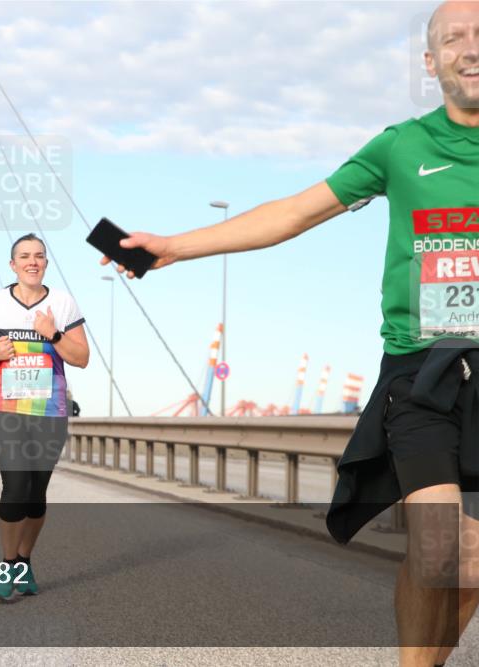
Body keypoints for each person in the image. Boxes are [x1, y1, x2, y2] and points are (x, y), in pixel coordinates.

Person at [105, 3, 478, 661]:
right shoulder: (401, 147)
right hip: (423, 373)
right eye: (454, 38)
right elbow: (292, 213)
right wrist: (173, 247)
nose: (470, 48)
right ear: (431, 62)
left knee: (468, 567)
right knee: (443, 547)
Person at [0, 234, 89, 599]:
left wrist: (52, 334)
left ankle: (24, 560)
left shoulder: (63, 303)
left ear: (46, 263)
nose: (32, 261)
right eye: (24, 256)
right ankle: (6, 565)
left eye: (39, 256)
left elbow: (81, 358)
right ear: (13, 264)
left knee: (36, 495)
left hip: (50, 413)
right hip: (6, 410)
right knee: (16, 487)